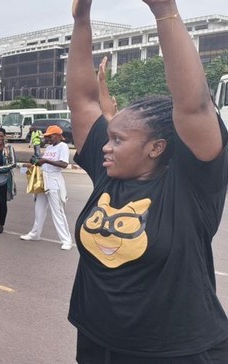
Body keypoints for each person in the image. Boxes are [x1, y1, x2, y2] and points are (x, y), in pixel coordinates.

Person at [67, 0, 228, 361]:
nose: (105, 147)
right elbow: (82, 101)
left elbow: (194, 106)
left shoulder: (192, 187)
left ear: (156, 147)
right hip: (98, 343)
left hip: (174, 352)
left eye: (118, 140)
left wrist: (164, 10)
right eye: (108, 137)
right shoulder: (109, 172)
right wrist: (81, 20)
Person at [19, 125, 73, 250]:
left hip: (54, 180)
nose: (48, 139)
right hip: (44, 180)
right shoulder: (49, 147)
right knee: (39, 209)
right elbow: (44, 162)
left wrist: (45, 161)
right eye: (47, 137)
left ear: (59, 135)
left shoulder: (63, 146)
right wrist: (36, 161)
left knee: (58, 212)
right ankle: (35, 234)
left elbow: (64, 164)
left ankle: (66, 240)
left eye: (50, 136)